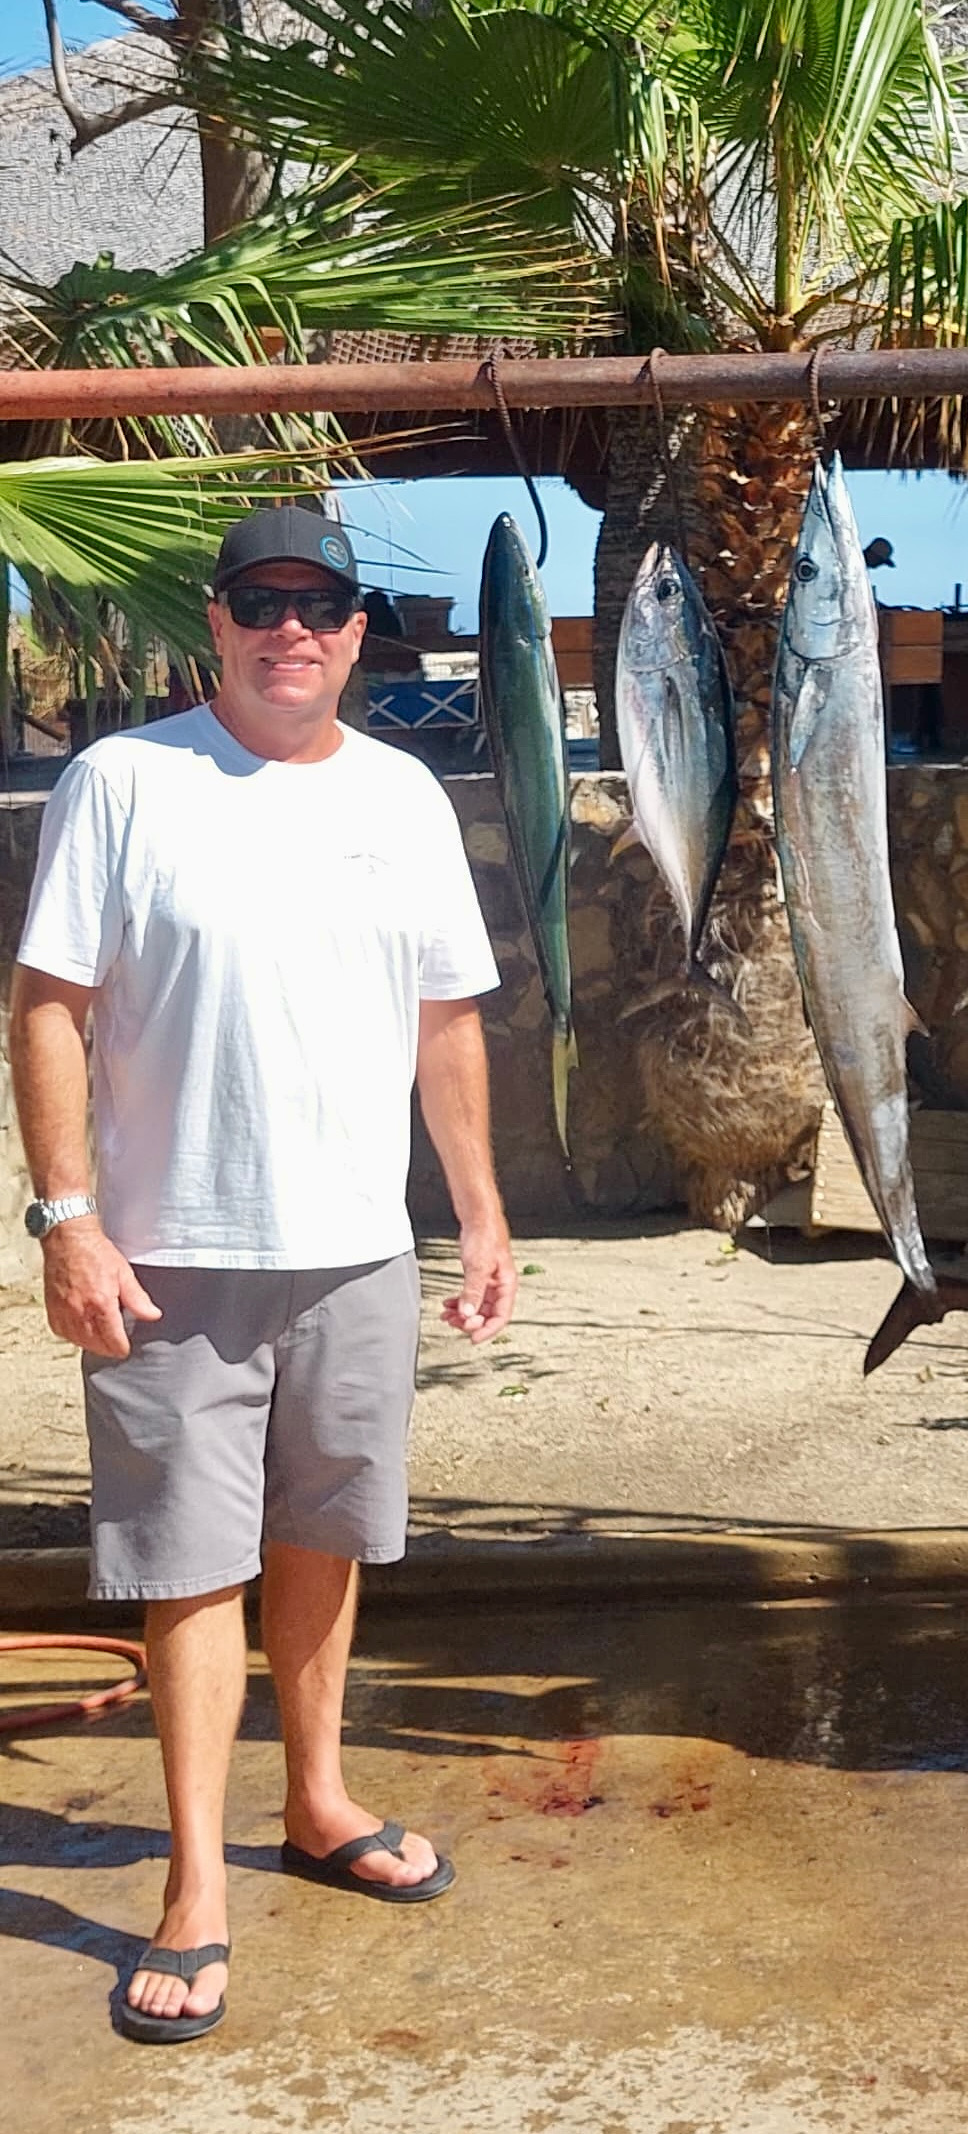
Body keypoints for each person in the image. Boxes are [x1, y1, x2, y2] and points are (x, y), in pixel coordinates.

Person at [9, 504, 517, 2042]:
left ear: (360, 631)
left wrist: (481, 1213)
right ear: (214, 626)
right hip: (171, 1256)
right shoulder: (124, 779)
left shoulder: (405, 795)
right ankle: (190, 1885)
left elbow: (446, 1020)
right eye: (260, 599)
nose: (290, 625)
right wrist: (65, 1217)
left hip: (357, 1246)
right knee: (187, 1567)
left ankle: (314, 1798)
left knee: (324, 1536)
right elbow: (46, 1005)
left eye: (321, 601)